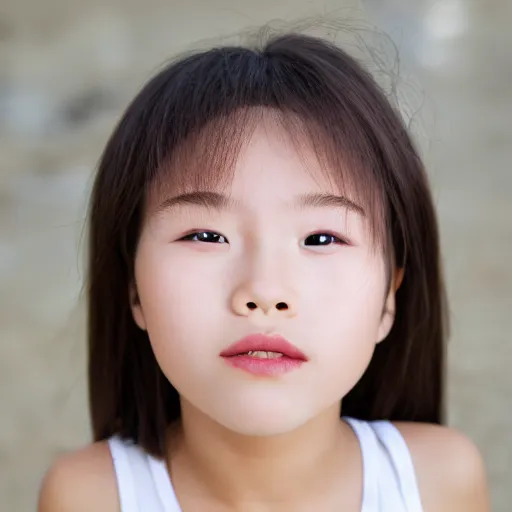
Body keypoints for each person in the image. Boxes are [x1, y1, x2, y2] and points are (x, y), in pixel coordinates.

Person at [38, 32, 489, 511]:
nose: (264, 292)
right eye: (206, 236)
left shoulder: (438, 481)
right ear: (134, 289)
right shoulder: (89, 496)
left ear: (389, 297)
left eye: (321, 239)